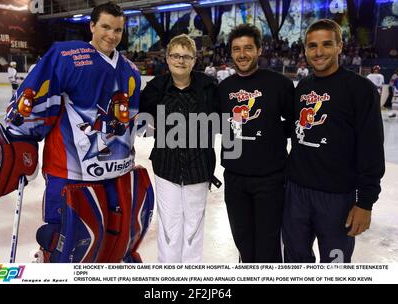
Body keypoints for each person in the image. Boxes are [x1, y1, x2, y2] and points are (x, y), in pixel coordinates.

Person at [0, 2, 154, 263]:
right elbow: (33, 99)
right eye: (105, 27)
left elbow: (130, 123)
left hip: (115, 174)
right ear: (92, 26)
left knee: (110, 245)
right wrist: (20, 139)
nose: (111, 35)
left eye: (118, 30)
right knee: (66, 245)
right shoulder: (66, 57)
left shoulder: (130, 70)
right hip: (69, 173)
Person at [284, 19, 385, 263]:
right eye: (312, 46)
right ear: (305, 50)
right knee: (295, 264)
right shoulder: (303, 88)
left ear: (340, 46)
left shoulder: (360, 90)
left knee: (335, 268)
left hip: (337, 198)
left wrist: (365, 203)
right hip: (296, 193)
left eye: (326, 44)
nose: (319, 52)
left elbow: (371, 148)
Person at [217, 24, 294, 262]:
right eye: (237, 49)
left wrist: (270, 131)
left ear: (259, 50)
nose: (242, 54)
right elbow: (219, 124)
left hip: (270, 180)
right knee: (244, 243)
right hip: (235, 178)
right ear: (231, 52)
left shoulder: (280, 84)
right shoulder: (224, 88)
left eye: (248, 48)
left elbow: (295, 126)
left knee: (268, 246)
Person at [139, 34, 219, 263]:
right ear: (167, 58)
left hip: (199, 167)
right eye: (175, 55)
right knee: (169, 226)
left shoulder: (208, 87)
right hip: (166, 167)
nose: (180, 60)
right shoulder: (156, 88)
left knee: (194, 226)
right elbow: (139, 116)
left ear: (195, 60)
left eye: (186, 56)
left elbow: (225, 117)